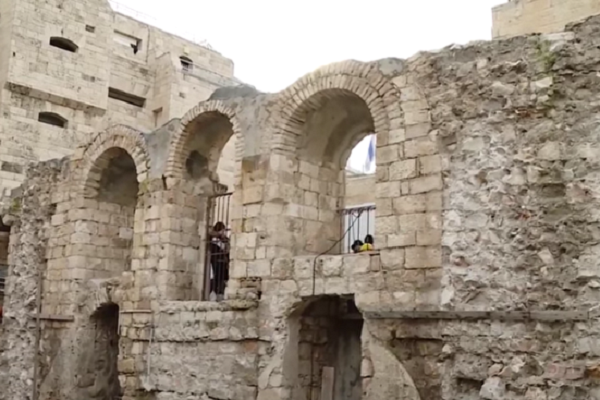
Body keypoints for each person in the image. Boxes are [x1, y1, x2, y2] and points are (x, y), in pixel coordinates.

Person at [208, 221, 230, 301]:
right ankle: (215, 294)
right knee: (216, 278)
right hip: (216, 261)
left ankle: (219, 293)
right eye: (223, 230)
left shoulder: (223, 240)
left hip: (221, 262)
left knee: (220, 278)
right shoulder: (214, 239)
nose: (224, 232)